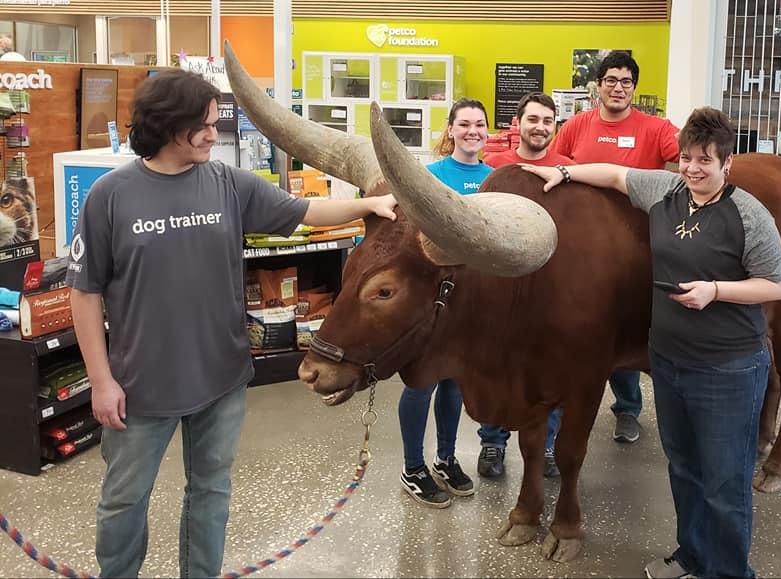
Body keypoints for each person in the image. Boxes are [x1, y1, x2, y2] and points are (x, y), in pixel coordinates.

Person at [66, 69, 397, 578]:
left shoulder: (227, 183)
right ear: (168, 125)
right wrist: (101, 381)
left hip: (222, 379)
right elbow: (83, 293)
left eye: (214, 123)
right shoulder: (110, 196)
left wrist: (368, 204)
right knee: (124, 499)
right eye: (203, 124)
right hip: (138, 387)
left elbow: (305, 208)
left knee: (211, 492)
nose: (212, 134)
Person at [523, 107, 781, 578]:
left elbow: (776, 285)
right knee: (683, 468)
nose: (692, 168)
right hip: (668, 361)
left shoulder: (749, 213)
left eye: (705, 161)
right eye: (686, 158)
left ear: (727, 163)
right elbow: (615, 174)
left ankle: (727, 571)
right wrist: (561, 171)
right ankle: (691, 555)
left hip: (728, 367)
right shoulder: (666, 191)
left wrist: (717, 291)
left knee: (724, 482)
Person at [551, 50, 681, 444]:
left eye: (626, 82)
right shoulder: (576, 126)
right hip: (580, 247)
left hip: (636, 249)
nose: (618, 88)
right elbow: (557, 167)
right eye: (611, 80)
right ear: (598, 85)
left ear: (634, 88)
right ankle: (562, 404)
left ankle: (627, 410)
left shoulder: (656, 128)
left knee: (623, 324)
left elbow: (687, 161)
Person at [397, 98, 490, 508]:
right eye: (465, 124)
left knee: (453, 383)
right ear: (450, 130)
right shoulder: (429, 176)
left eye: (480, 124)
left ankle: (446, 459)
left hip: (471, 306)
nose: (473, 131)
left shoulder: (495, 179)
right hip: (430, 303)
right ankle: (413, 468)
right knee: (421, 383)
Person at [478, 92, 569, 479]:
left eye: (548, 121)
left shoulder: (567, 168)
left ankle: (548, 445)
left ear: (555, 126)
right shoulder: (491, 167)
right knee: (497, 368)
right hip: (498, 291)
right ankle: (493, 444)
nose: (540, 127)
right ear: (518, 123)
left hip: (550, 291)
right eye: (533, 119)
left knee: (552, 370)